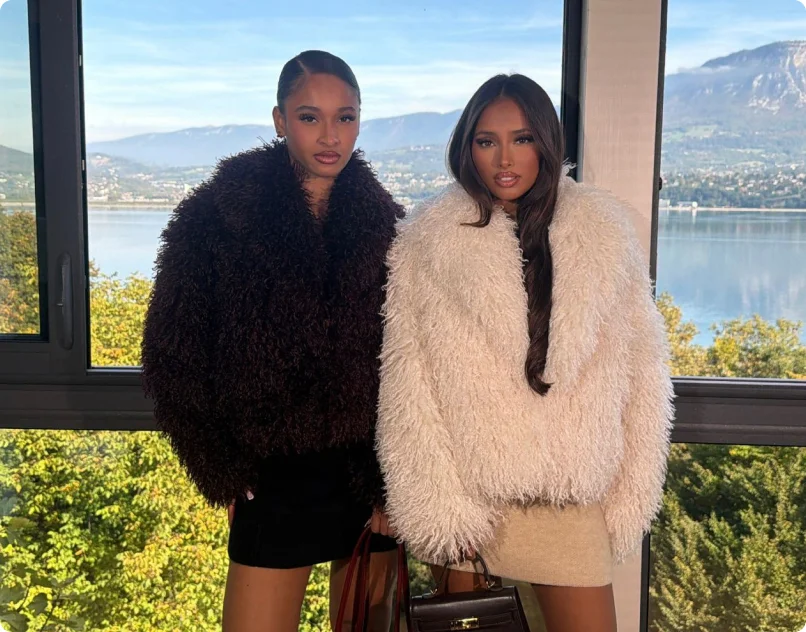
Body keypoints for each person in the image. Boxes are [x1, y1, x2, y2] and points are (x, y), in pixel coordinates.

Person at [373, 74, 674, 632]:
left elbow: (643, 371)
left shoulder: (602, 234)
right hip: (472, 505)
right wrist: (439, 505)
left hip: (570, 499)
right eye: (487, 141)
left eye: (522, 138)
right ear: (467, 148)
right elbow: (407, 386)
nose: (504, 159)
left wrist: (631, 489)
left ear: (547, 143)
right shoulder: (427, 240)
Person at [141, 50, 403, 632]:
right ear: (281, 120)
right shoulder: (213, 219)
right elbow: (172, 356)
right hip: (272, 476)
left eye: (346, 117)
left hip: (369, 475)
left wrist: (396, 481)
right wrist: (221, 466)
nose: (330, 136)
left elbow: (409, 361)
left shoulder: (388, 226)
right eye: (310, 117)